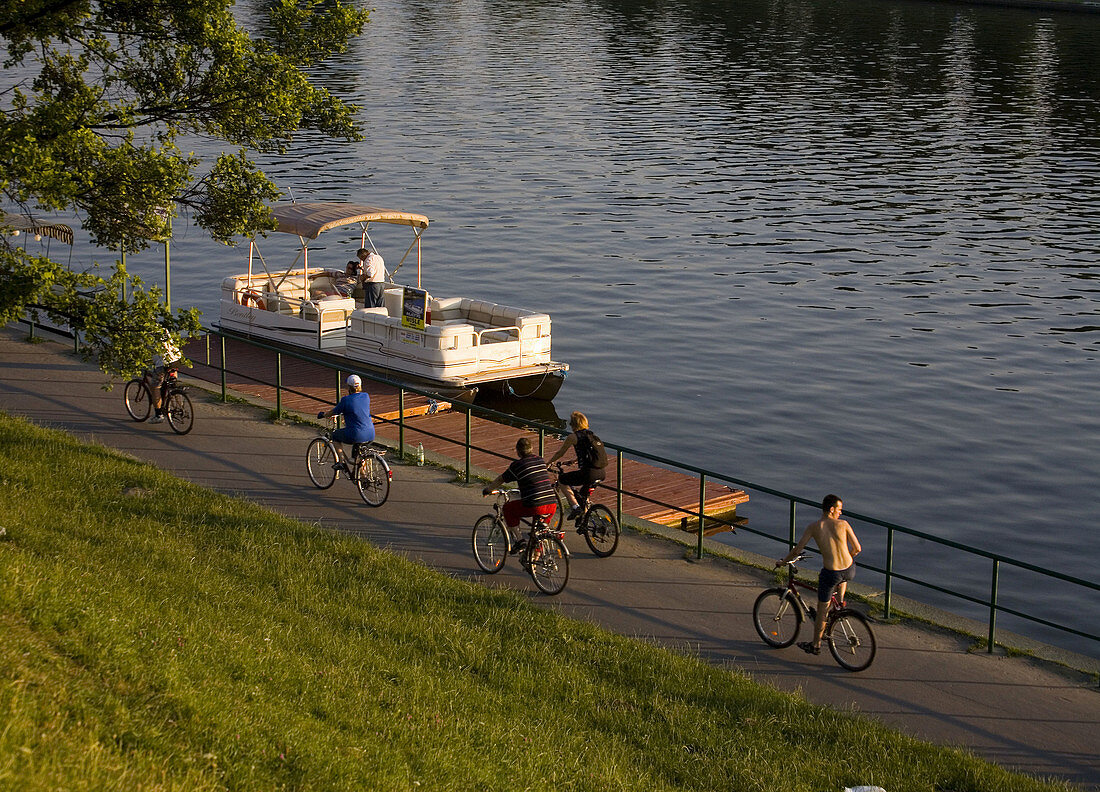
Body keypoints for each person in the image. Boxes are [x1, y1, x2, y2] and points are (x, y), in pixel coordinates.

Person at [776, 494, 862, 656]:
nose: (840, 513)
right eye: (839, 510)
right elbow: (857, 548)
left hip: (831, 574)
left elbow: (797, 550)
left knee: (821, 611)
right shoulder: (844, 524)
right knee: (841, 580)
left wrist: (783, 562)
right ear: (831, 509)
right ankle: (840, 605)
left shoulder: (814, 527)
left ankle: (815, 645)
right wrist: (846, 558)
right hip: (849, 569)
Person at [482, 437, 558, 546]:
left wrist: (488, 490)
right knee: (538, 533)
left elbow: (501, 479)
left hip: (535, 505)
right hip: (552, 503)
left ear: (517, 451)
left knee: (508, 509)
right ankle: (537, 558)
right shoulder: (540, 460)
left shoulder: (517, 465)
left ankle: (519, 540)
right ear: (531, 449)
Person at [547, 411, 607, 525]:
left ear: (573, 425)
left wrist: (549, 463)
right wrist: (574, 461)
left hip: (588, 473)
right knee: (584, 496)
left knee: (562, 480)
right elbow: (590, 453)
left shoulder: (573, 437)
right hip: (601, 472)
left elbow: (560, 453)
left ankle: (575, 507)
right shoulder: (592, 435)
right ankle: (584, 521)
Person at [317, 374, 375, 473]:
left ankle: (341, 462)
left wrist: (324, 414)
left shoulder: (346, 400)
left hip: (355, 434)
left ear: (349, 387)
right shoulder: (366, 396)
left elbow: (334, 411)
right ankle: (363, 476)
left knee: (335, 436)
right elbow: (358, 409)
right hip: (370, 433)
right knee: (360, 453)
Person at [148, 329, 181, 424]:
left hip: (163, 363)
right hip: (175, 359)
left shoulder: (147, 334)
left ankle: (158, 415)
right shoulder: (164, 330)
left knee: (155, 387)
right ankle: (177, 400)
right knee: (172, 380)